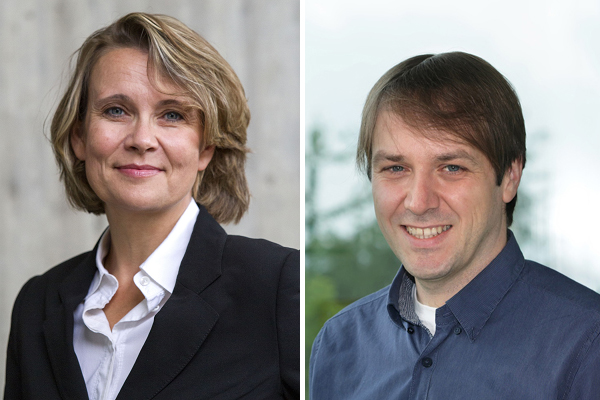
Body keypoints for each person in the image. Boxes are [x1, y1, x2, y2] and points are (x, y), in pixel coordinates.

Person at [5, 12, 299, 400]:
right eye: (116, 110)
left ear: (204, 148)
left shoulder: (279, 286)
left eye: (172, 115)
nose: (142, 139)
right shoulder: (38, 304)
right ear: (79, 137)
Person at [309, 52, 600, 399]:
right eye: (396, 168)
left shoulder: (587, 346)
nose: (419, 202)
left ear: (510, 176)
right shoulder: (339, 344)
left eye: (451, 168)